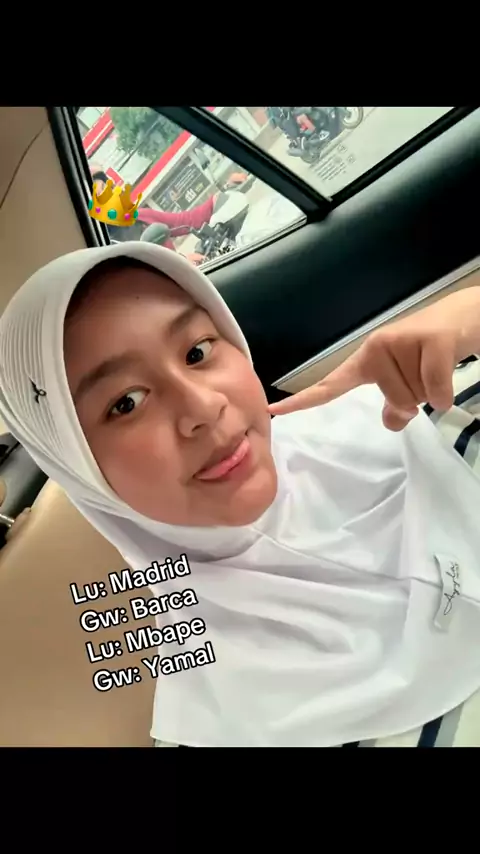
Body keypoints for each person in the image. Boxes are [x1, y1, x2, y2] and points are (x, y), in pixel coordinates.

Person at [1, 242, 480, 748]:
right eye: (126, 402)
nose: (203, 407)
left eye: (197, 352)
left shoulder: (411, 406)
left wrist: (470, 314)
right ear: (81, 472)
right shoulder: (221, 723)